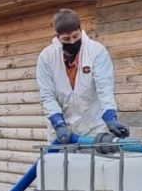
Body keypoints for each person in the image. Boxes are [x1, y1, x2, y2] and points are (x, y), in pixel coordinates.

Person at [36, 9, 129, 144]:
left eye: (75, 36)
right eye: (66, 39)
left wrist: (110, 117)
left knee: (92, 164)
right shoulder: (46, 57)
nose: (72, 41)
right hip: (62, 131)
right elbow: (47, 95)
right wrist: (58, 124)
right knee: (62, 165)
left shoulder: (96, 51)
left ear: (81, 29)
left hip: (93, 128)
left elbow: (104, 88)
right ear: (57, 37)